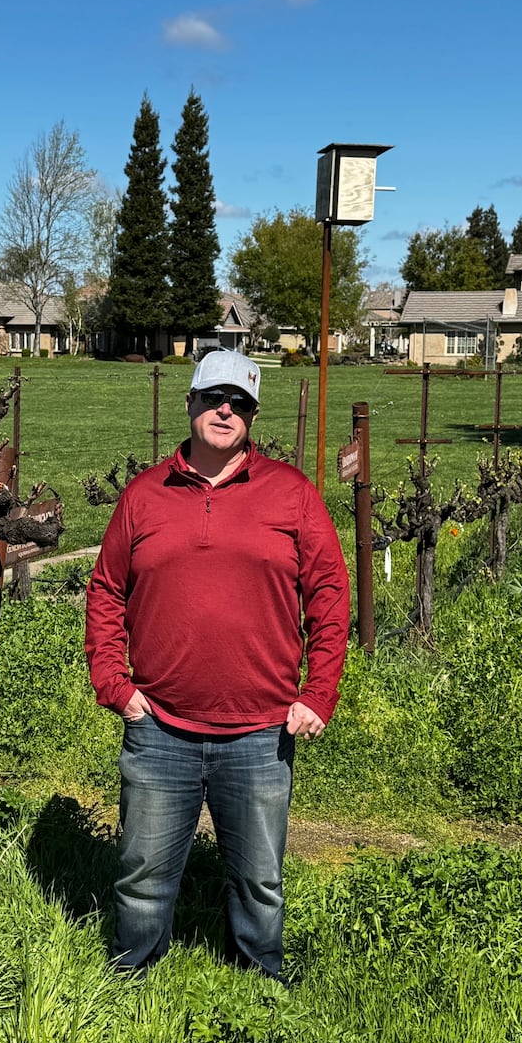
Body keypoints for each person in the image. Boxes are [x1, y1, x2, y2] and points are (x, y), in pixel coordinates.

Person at [84, 349, 350, 979]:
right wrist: (113, 685)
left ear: (252, 416)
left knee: (259, 878)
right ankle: (131, 976)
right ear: (191, 404)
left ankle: (259, 982)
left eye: (239, 402)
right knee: (142, 875)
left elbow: (330, 594)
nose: (224, 410)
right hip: (159, 725)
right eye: (213, 398)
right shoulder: (144, 495)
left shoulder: (292, 494)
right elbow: (105, 591)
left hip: (261, 729)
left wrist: (318, 694)